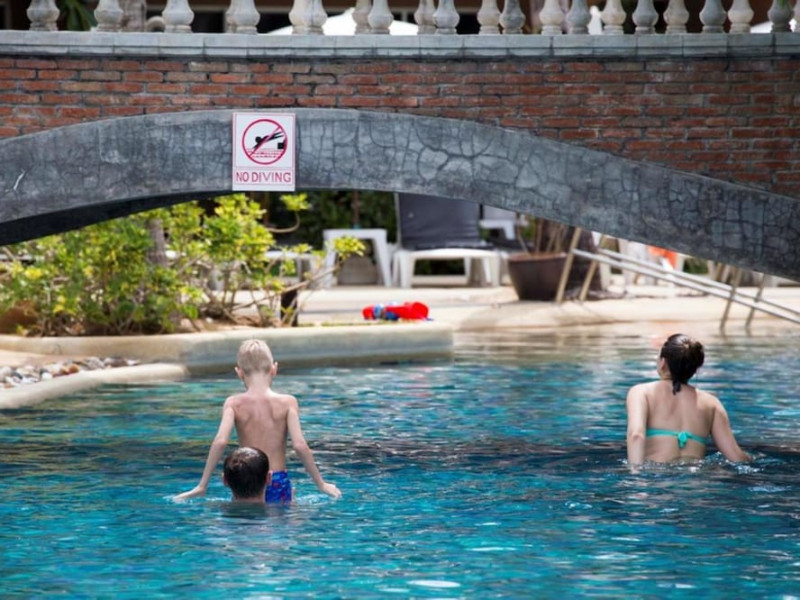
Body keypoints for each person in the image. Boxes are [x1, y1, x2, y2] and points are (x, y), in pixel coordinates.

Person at [175, 339, 342, 502]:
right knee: (283, 516)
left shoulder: (233, 404)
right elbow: (299, 445)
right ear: (274, 369)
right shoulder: (287, 403)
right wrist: (321, 484)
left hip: (245, 479)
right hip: (277, 479)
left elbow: (220, 441)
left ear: (239, 372)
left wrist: (202, 485)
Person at [626, 333, 751, 468]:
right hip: (696, 477)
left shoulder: (641, 392)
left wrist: (635, 473)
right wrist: (752, 457)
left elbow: (636, 435)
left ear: (663, 362)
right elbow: (735, 457)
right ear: (694, 369)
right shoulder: (712, 403)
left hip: (656, 476)